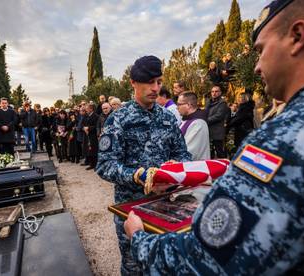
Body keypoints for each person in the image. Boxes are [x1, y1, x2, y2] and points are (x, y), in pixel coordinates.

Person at [123, 0, 304, 274]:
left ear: (297, 36)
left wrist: (141, 240)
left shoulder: (287, 139)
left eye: (260, 50)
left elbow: (207, 262)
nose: (257, 66)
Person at [96, 55, 191, 276]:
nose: (155, 88)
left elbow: (183, 154)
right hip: (131, 209)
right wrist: (137, 176)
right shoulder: (119, 119)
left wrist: (173, 172)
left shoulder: (168, 118)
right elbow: (105, 165)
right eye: (149, 82)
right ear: (133, 83)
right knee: (134, 267)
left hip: (166, 207)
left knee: (165, 266)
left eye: (158, 81)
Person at [177, 92, 210, 160]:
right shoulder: (186, 120)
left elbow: (189, 151)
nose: (177, 108)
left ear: (189, 105)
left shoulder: (199, 123)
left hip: (195, 167)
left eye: (179, 104)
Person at [206, 86, 229, 158]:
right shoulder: (208, 102)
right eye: (212, 91)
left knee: (220, 152)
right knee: (209, 152)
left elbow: (219, 116)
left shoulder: (222, 103)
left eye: (216, 91)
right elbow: (205, 113)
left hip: (217, 132)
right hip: (208, 130)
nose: (214, 93)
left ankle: (224, 167)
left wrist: (206, 120)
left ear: (220, 93)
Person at [83, 103, 99, 170]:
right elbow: (83, 124)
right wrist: (84, 128)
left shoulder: (96, 116)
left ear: (91, 109)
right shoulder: (86, 116)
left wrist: (88, 128)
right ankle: (91, 164)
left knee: (94, 150)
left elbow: (96, 126)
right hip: (87, 135)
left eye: (87, 108)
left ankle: (95, 165)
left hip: (93, 136)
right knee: (89, 150)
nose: (86, 110)